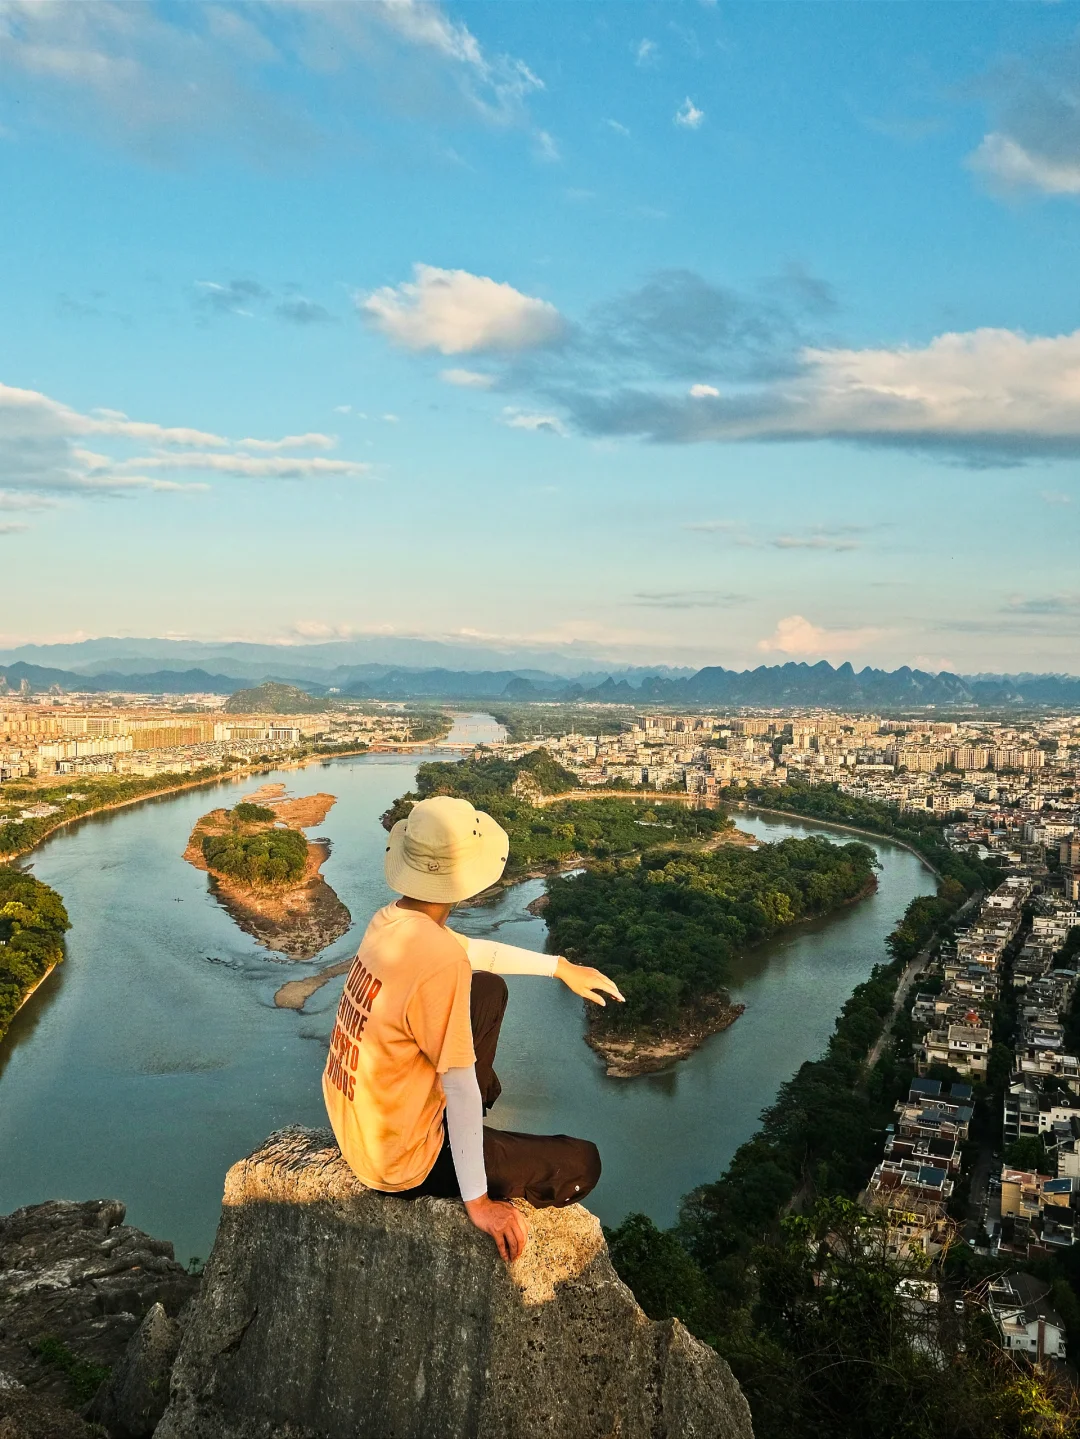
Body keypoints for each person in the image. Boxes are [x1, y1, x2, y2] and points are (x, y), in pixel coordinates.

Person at [323, 794, 623, 1263]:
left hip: (360, 1129)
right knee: (581, 1163)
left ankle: (464, 1137)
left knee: (486, 989)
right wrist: (479, 1202)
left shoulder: (392, 921)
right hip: (400, 1163)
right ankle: (471, 1153)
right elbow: (460, 1087)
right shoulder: (437, 958)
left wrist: (561, 966)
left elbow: (476, 954)